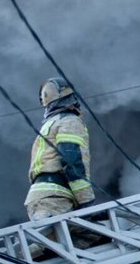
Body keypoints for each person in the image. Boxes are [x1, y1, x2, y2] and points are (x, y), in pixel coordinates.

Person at [24, 77, 94, 220]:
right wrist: (86, 202)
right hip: (56, 198)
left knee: (82, 233)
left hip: (39, 199)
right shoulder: (69, 121)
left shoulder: (48, 127)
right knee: (91, 230)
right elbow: (71, 160)